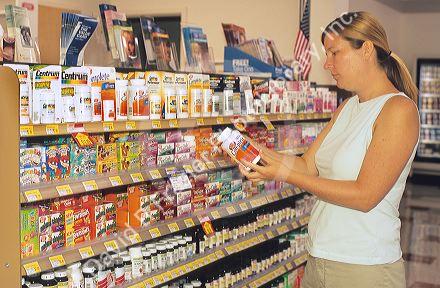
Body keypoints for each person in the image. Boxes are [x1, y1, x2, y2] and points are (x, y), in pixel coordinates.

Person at [231, 11, 419, 288]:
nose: (328, 64)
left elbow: (365, 195)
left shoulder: (399, 110)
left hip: (364, 268)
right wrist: (259, 154)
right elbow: (308, 165)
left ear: (366, 49)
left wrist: (285, 174)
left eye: (334, 53)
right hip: (318, 259)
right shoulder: (347, 107)